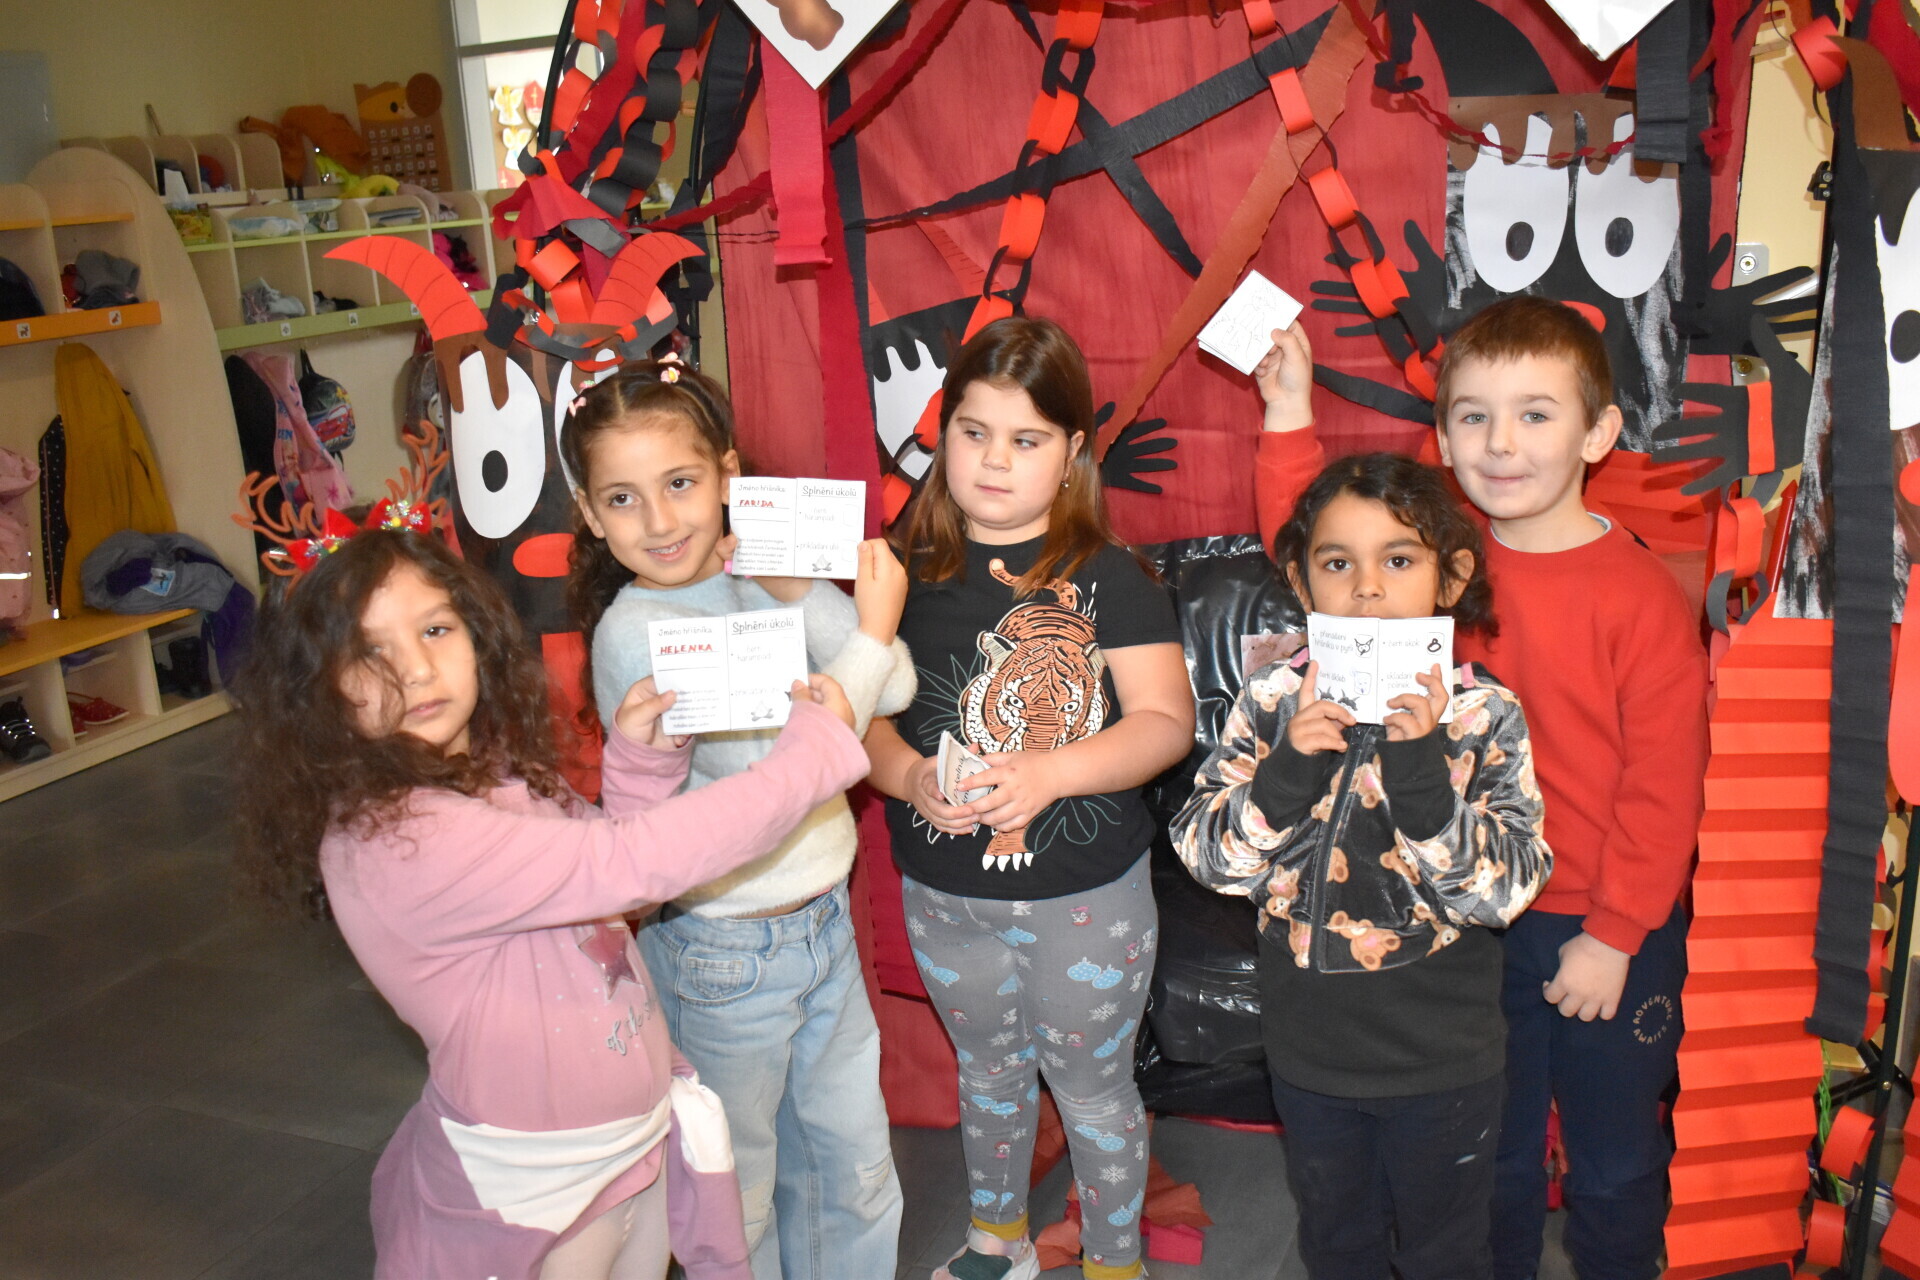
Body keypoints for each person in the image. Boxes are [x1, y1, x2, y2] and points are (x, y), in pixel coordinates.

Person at [232, 520, 870, 1280]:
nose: (418, 670)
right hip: (538, 1190)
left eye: (434, 629)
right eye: (370, 652)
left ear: (475, 634)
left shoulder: (490, 777)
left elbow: (598, 897)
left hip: (626, 1149)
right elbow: (627, 864)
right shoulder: (403, 836)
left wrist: (639, 764)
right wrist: (808, 758)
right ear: (321, 689)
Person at [1252, 298, 1711, 1280]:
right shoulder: (1439, 568)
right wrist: (1289, 415)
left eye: (1535, 414)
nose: (1501, 443)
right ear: (1443, 434)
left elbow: (1664, 783)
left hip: (1602, 920)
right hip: (1466, 916)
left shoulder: (1638, 594)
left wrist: (1616, 933)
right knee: (1492, 1157)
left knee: (1614, 1159)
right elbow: (1322, 555)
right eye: (1473, 415)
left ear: (1598, 432)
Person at [563, 358, 913, 1280]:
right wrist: (872, 632)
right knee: (739, 1189)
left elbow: (897, 691)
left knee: (853, 1164)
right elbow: (783, 785)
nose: (660, 521)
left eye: (680, 483)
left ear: (727, 475)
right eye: (624, 499)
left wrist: (800, 590)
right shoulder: (634, 633)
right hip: (722, 950)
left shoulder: (760, 576)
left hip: (822, 921)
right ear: (591, 515)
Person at [863, 317, 1195, 1280]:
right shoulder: (901, 573)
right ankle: (994, 1241)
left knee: (1092, 1092)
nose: (996, 461)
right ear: (943, 435)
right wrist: (911, 778)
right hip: (945, 895)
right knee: (988, 1075)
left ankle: (1115, 1263)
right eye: (974, 433)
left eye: (1027, 438)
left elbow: (1165, 722)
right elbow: (863, 723)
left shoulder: (1111, 577)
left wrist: (1049, 772)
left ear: (1073, 450)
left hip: (1083, 900)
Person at [1175, 450, 1551, 1277]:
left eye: (1399, 560)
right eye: (1338, 563)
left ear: (1451, 577)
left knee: (1446, 1252)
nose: (1368, 588)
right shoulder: (1275, 700)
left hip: (1441, 1060)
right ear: (1302, 583)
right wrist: (1284, 774)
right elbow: (1207, 856)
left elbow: (1508, 888)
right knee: (1337, 1241)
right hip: (1310, 1055)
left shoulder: (1484, 713)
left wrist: (1423, 778)